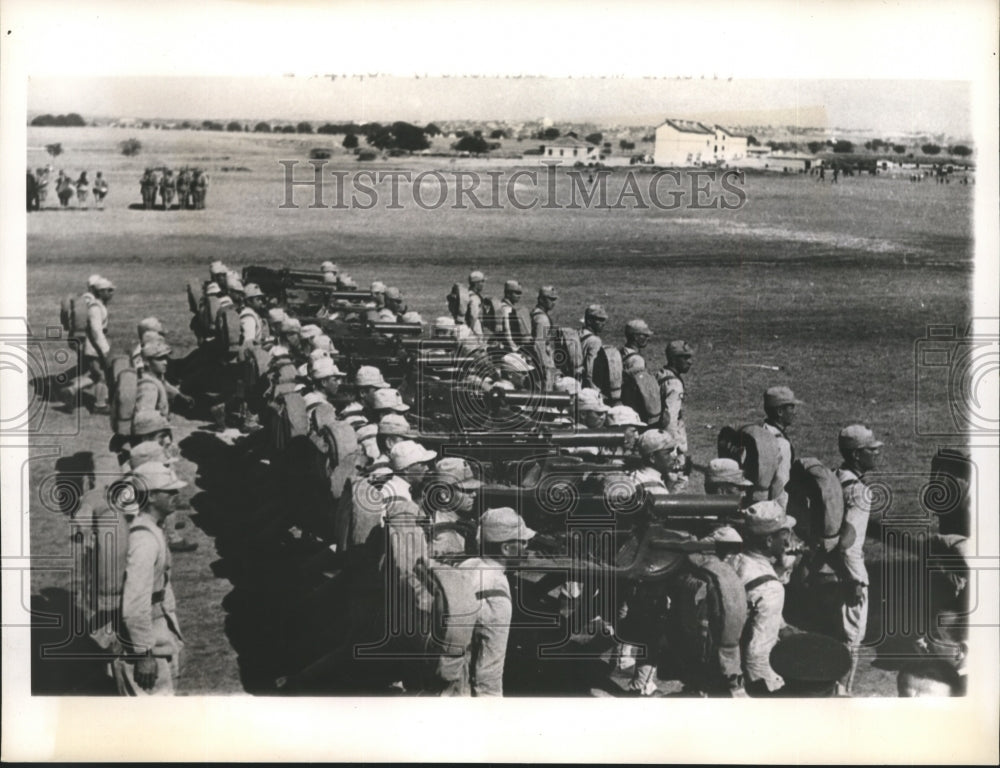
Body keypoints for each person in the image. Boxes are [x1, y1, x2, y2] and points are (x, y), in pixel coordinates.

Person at [112, 461, 186, 695]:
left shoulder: (153, 528)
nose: (176, 495)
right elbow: (134, 605)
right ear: (151, 496)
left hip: (157, 634)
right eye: (169, 491)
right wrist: (144, 654)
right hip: (145, 642)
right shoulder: (144, 540)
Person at [822, 424, 883, 696]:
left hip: (825, 571)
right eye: (872, 450)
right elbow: (849, 545)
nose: (877, 454)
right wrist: (855, 579)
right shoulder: (859, 492)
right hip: (848, 574)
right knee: (851, 637)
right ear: (857, 455)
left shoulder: (835, 477)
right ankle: (842, 693)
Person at [726, 500, 797, 696]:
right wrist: (770, 690)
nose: (788, 543)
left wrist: (781, 626)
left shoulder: (733, 559)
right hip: (747, 678)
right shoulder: (771, 588)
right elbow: (757, 655)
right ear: (767, 541)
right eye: (784, 536)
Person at [61, 276, 114, 413]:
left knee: (96, 375)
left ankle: (72, 389)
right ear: (100, 292)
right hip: (95, 348)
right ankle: (100, 405)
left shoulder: (98, 305)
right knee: (102, 375)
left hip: (94, 347)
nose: (111, 293)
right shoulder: (95, 308)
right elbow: (96, 331)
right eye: (108, 290)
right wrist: (105, 349)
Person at [760, 385, 801, 507]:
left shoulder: (761, 432)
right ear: (780, 411)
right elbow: (780, 486)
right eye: (791, 407)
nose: (795, 412)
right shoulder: (781, 444)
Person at [658, 340, 693, 456]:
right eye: (685, 358)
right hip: (669, 440)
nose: (690, 362)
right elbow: (669, 418)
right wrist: (673, 448)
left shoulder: (661, 374)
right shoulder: (674, 384)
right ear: (673, 359)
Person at [530, 286, 559, 391]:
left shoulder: (536, 313)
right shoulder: (542, 319)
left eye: (554, 299)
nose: (553, 302)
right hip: (543, 364)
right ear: (541, 299)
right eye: (550, 299)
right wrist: (544, 367)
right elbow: (539, 344)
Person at [496, 280, 531, 353]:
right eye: (517, 293)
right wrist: (515, 349)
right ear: (508, 294)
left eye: (520, 293)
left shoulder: (505, 307)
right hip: (508, 351)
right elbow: (507, 333)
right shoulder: (506, 309)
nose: (519, 296)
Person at [579, 304, 608, 389]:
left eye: (604, 320)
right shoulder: (595, 341)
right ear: (589, 321)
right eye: (600, 320)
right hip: (586, 387)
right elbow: (590, 372)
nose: (603, 323)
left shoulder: (579, 334)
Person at [466, 270, 486, 337]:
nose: (483, 284)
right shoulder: (474, 298)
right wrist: (472, 331)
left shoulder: (467, 294)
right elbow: (473, 316)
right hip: (475, 328)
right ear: (476, 283)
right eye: (482, 281)